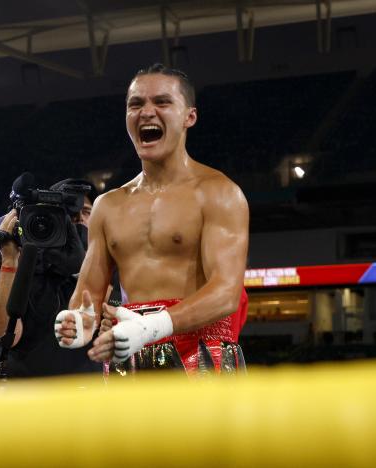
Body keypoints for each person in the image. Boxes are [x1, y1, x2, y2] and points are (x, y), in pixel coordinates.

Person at [55, 64, 250, 376]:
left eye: (162, 102)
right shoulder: (108, 205)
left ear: (190, 117)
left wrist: (152, 326)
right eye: (136, 104)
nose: (146, 112)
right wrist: (80, 320)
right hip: (128, 350)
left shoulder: (218, 193)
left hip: (200, 351)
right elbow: (89, 291)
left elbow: (226, 292)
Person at [0, 178, 102, 378]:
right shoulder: (26, 269)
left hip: (92, 396)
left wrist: (83, 267)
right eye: (70, 214)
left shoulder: (108, 265)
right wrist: (9, 262)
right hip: (34, 395)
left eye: (86, 212)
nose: (78, 220)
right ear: (53, 219)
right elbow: (1, 334)